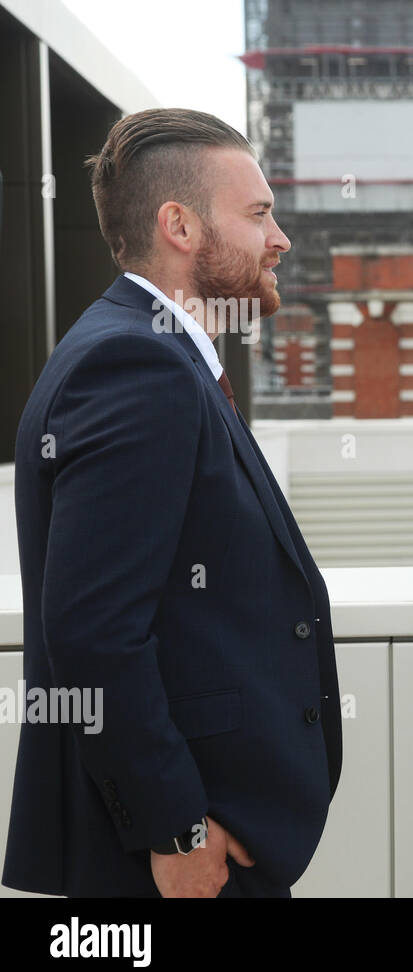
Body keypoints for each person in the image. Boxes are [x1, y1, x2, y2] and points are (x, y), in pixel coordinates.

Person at [2, 109, 342, 898]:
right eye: (258, 214)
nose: (279, 238)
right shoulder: (136, 364)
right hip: (174, 858)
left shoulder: (148, 352)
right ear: (180, 225)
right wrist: (176, 827)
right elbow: (93, 630)